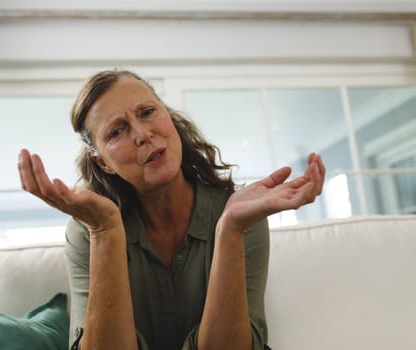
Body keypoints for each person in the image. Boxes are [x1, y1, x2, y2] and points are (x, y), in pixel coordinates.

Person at [17, 69, 325, 350]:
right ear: (103, 163)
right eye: (117, 131)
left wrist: (230, 228)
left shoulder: (241, 214)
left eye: (148, 112)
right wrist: (105, 231)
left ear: (170, 118)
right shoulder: (90, 227)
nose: (142, 134)